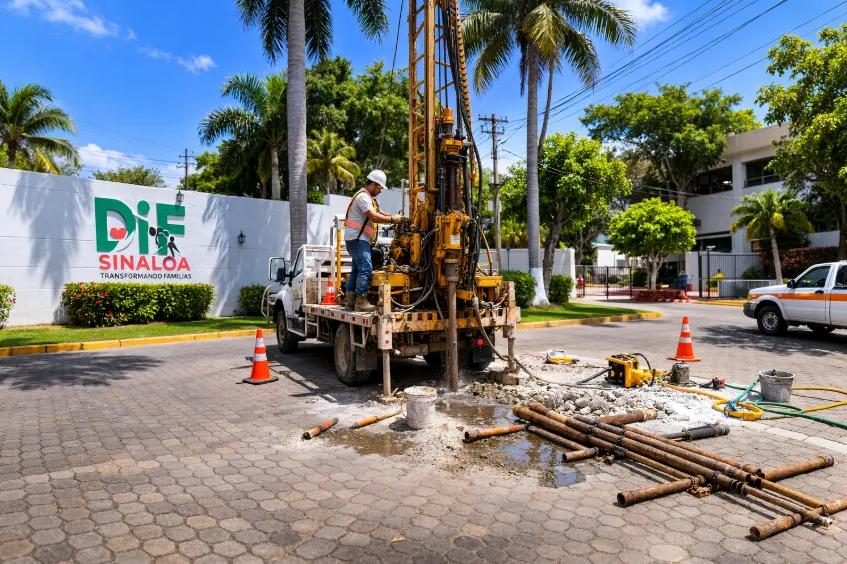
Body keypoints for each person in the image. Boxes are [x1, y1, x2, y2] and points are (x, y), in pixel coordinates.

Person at [343, 170, 403, 312]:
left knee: (356, 270)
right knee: (365, 268)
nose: (380, 191)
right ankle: (361, 302)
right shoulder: (363, 197)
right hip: (358, 239)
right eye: (379, 188)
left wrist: (393, 217)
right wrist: (392, 219)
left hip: (357, 239)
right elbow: (374, 216)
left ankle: (350, 302)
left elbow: (378, 212)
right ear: (373, 184)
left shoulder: (368, 199)